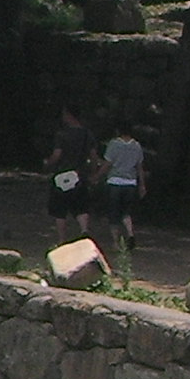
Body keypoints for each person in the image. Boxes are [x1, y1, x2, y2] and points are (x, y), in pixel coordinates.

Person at [98, 119, 147, 262]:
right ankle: (130, 233)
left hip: (115, 181)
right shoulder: (137, 146)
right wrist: (142, 185)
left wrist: (97, 176)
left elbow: (108, 163)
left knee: (113, 213)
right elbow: (139, 167)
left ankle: (115, 242)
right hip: (130, 182)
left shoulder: (114, 144)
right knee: (126, 212)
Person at [45, 105, 96, 243]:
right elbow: (93, 156)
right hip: (80, 175)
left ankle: (62, 239)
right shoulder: (87, 134)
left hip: (62, 175)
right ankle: (84, 230)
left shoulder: (62, 135)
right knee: (81, 206)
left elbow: (57, 155)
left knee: (59, 209)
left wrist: (48, 163)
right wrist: (92, 172)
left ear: (69, 115)